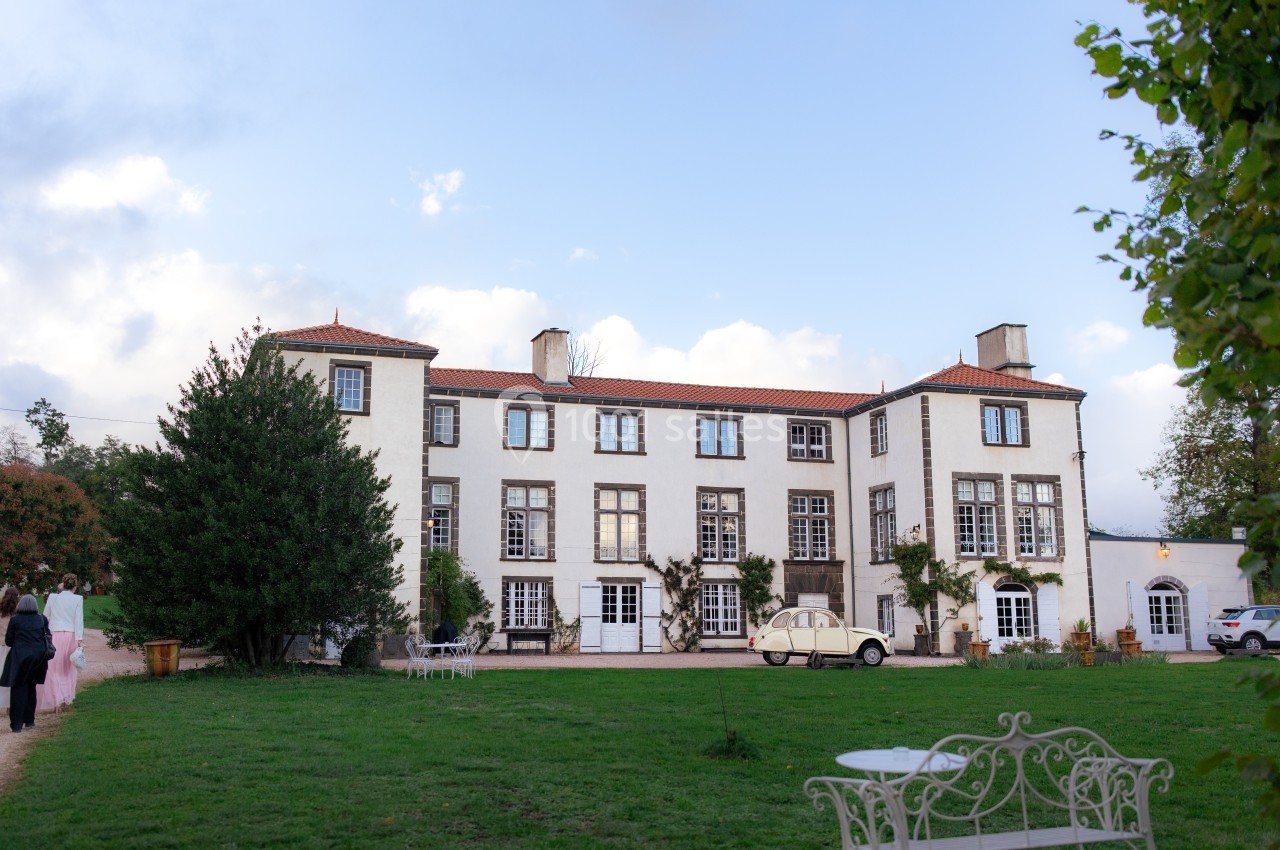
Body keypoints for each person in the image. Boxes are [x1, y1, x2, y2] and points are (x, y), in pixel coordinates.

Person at [1, 594, 51, 732]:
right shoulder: (42, 619)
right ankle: (30, 720)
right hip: (38, 658)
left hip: (19, 658)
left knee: (18, 690)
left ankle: (16, 724)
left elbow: (9, 641)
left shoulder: (15, 620)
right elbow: (46, 637)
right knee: (31, 688)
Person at [36, 573, 84, 712]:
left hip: (54, 634)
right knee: (67, 669)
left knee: (53, 668)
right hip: (70, 635)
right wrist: (79, 639)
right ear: (74, 586)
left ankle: (56, 701)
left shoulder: (52, 597)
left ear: (63, 584)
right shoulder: (78, 599)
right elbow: (78, 620)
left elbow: (45, 617)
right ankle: (65, 699)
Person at [0, 587, 20, 711]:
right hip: (13, 647)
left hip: (1, 645)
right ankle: (10, 703)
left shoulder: (1, 612)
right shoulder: (17, 613)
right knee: (12, 675)